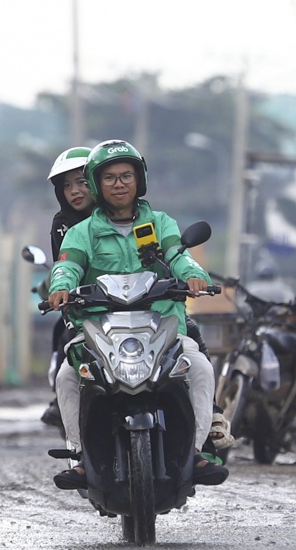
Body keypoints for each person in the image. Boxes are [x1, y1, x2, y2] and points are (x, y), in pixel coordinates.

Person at [44, 139, 223, 487]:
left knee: (198, 365)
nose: (119, 184)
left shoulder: (160, 222)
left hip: (161, 322)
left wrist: (194, 275)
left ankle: (197, 451)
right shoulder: (80, 233)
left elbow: (177, 254)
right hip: (99, 326)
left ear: (139, 180)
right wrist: (60, 288)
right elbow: (67, 266)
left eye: (126, 175)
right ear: (98, 184)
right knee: (67, 376)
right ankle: (82, 457)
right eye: (109, 178)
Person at [40, 146, 94, 432]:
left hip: (134, 299)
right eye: (67, 185)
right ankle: (59, 399)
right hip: (87, 305)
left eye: (82, 182)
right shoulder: (63, 225)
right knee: (64, 335)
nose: (75, 191)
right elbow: (64, 265)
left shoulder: (129, 216)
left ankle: (210, 415)